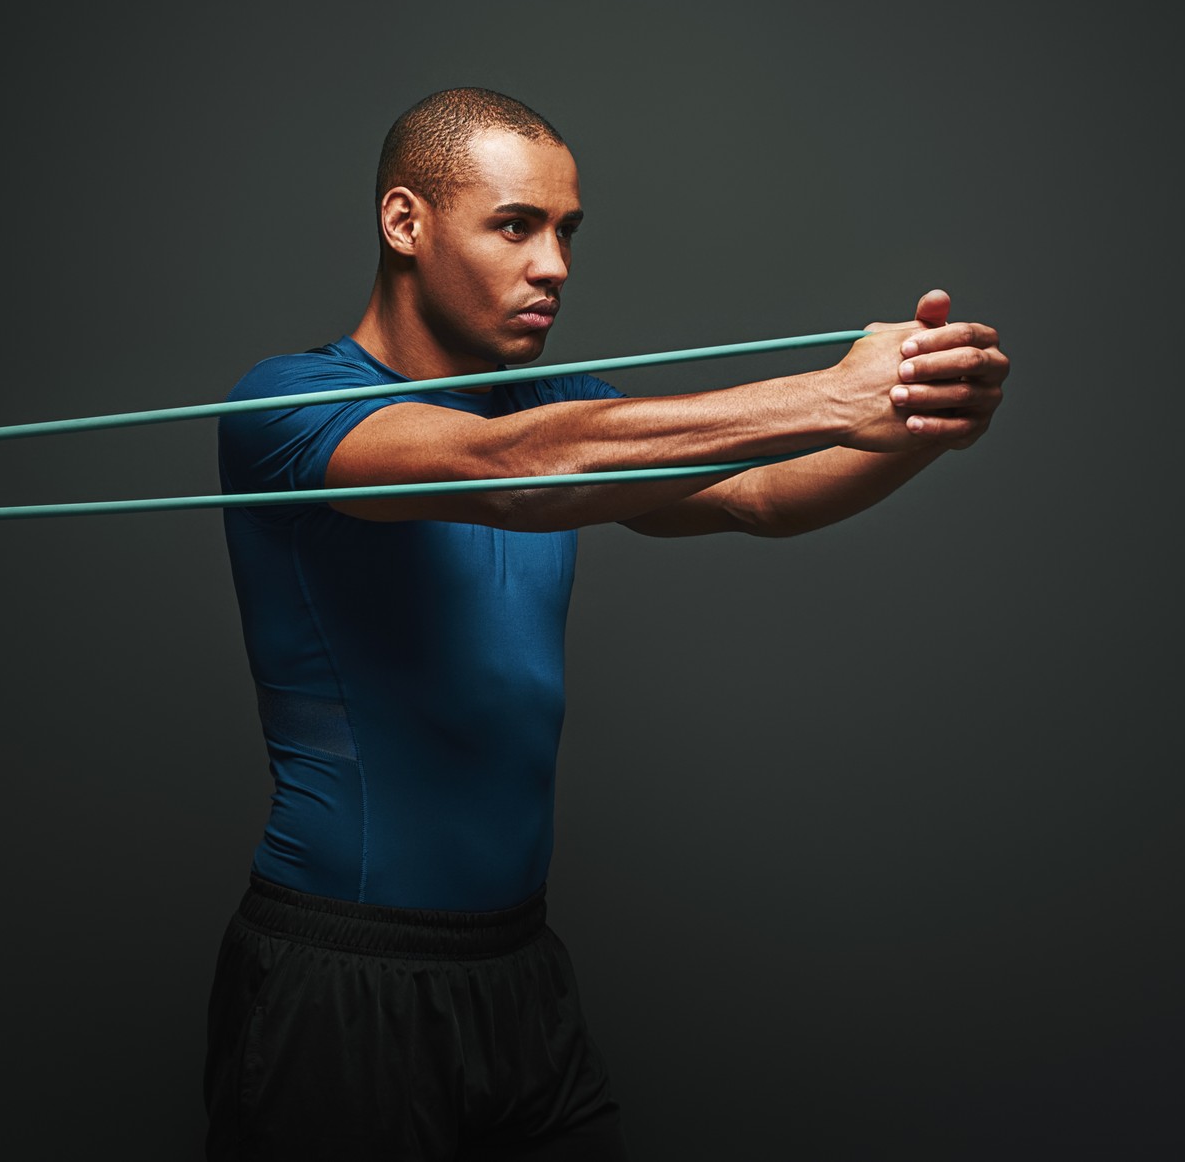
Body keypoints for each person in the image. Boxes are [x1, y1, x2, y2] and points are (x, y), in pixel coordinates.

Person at [203, 88, 1009, 1160]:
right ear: (406, 223)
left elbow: (759, 497)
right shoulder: (287, 406)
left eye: (567, 230)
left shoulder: (566, 408)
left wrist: (914, 419)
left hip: (521, 970)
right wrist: (830, 396)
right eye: (515, 225)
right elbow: (511, 471)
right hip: (345, 975)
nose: (554, 265)